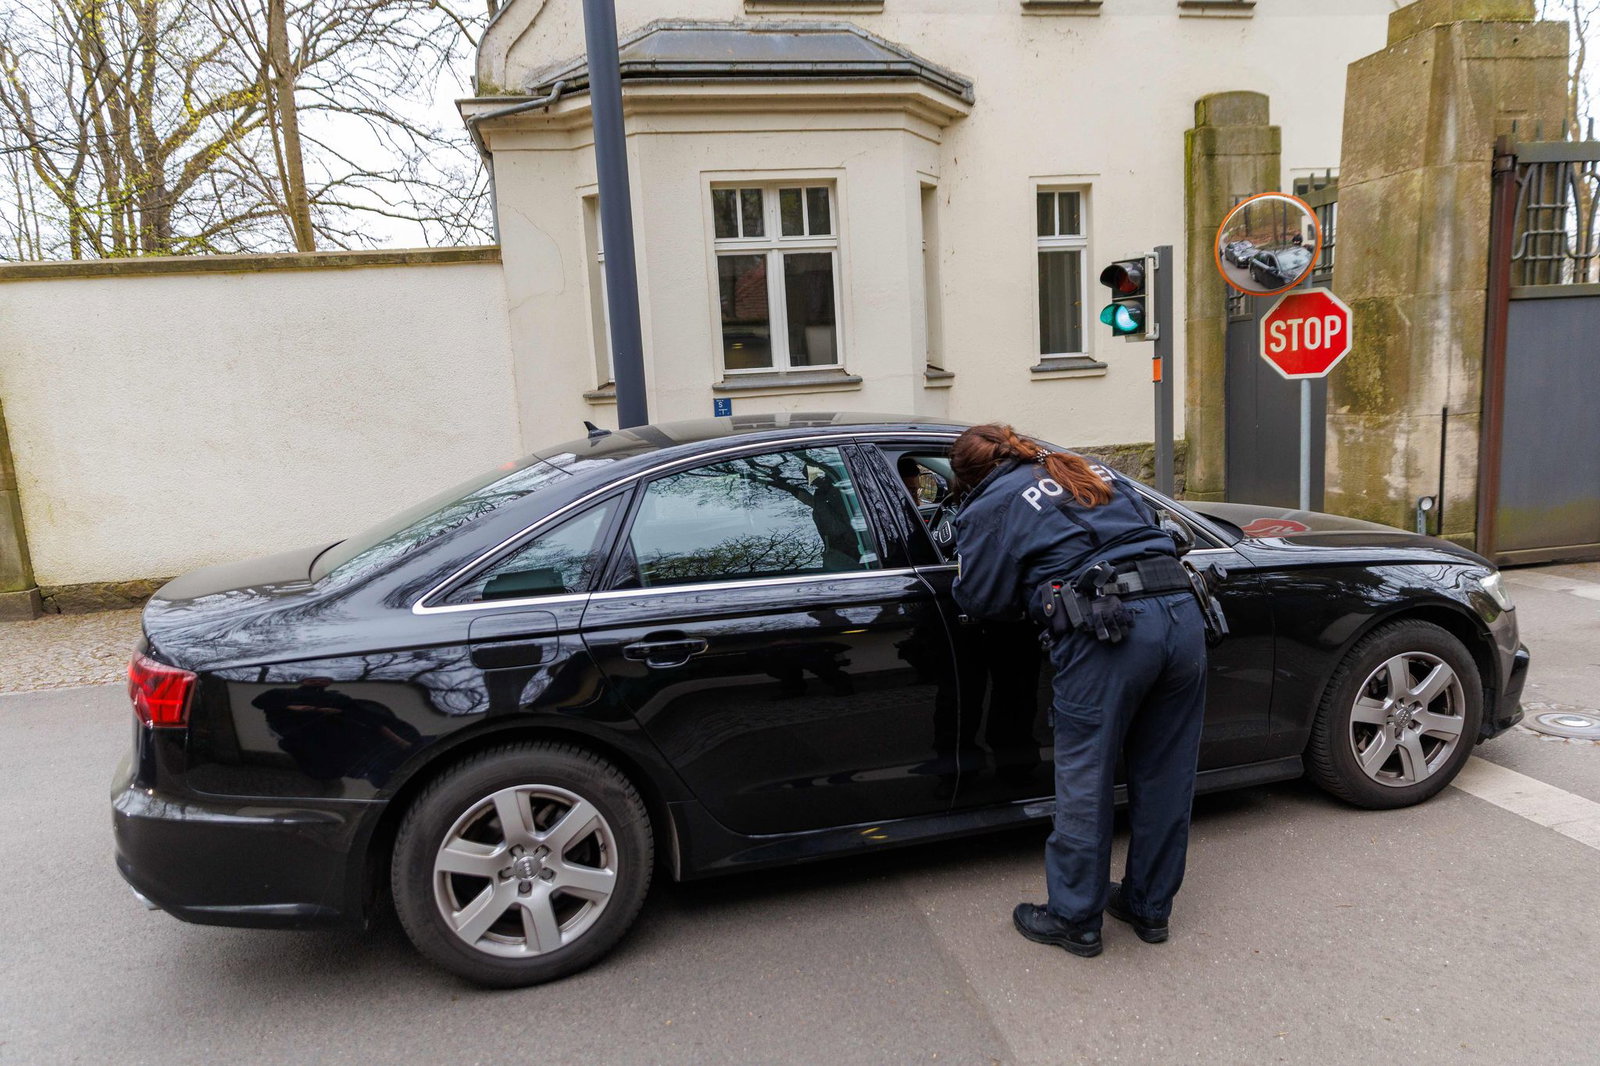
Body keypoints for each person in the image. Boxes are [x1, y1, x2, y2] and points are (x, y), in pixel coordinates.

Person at [949, 423, 1208, 958]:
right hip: (1183, 617)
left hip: (1108, 633)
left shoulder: (988, 505)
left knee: (1085, 776)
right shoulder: (1087, 467)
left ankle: (1074, 918)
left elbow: (982, 600)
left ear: (969, 476)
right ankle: (1149, 906)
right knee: (1166, 773)